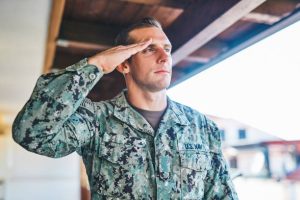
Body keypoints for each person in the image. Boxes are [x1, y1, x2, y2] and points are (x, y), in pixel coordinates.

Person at [12, 17, 238, 199]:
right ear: (124, 63)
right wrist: (97, 64)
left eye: (167, 49)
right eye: (149, 49)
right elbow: (32, 134)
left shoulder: (202, 126)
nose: (163, 57)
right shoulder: (96, 120)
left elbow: (222, 194)